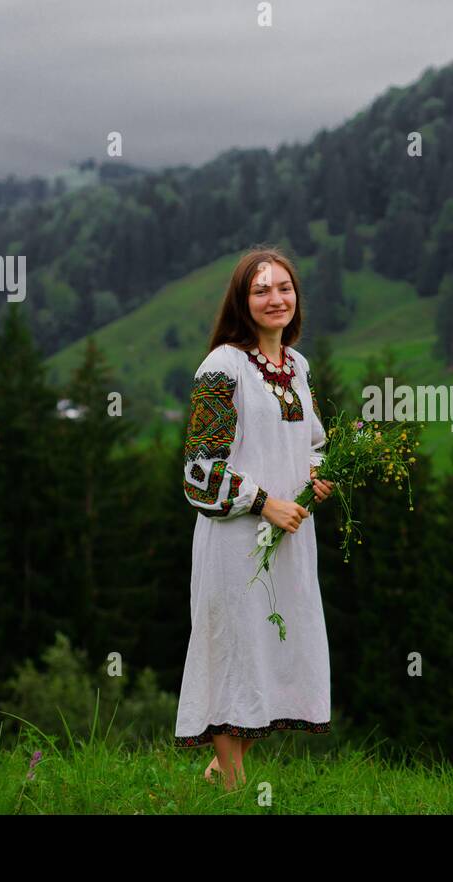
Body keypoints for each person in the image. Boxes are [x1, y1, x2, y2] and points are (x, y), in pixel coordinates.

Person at [173, 247, 335, 791]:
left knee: (268, 648)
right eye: (261, 290)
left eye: (283, 288)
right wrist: (264, 501)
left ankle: (222, 766)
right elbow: (200, 469)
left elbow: (312, 440)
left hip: (288, 537)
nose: (275, 298)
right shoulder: (222, 366)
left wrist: (318, 475)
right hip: (235, 538)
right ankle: (232, 787)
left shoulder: (297, 366)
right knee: (234, 648)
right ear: (243, 302)